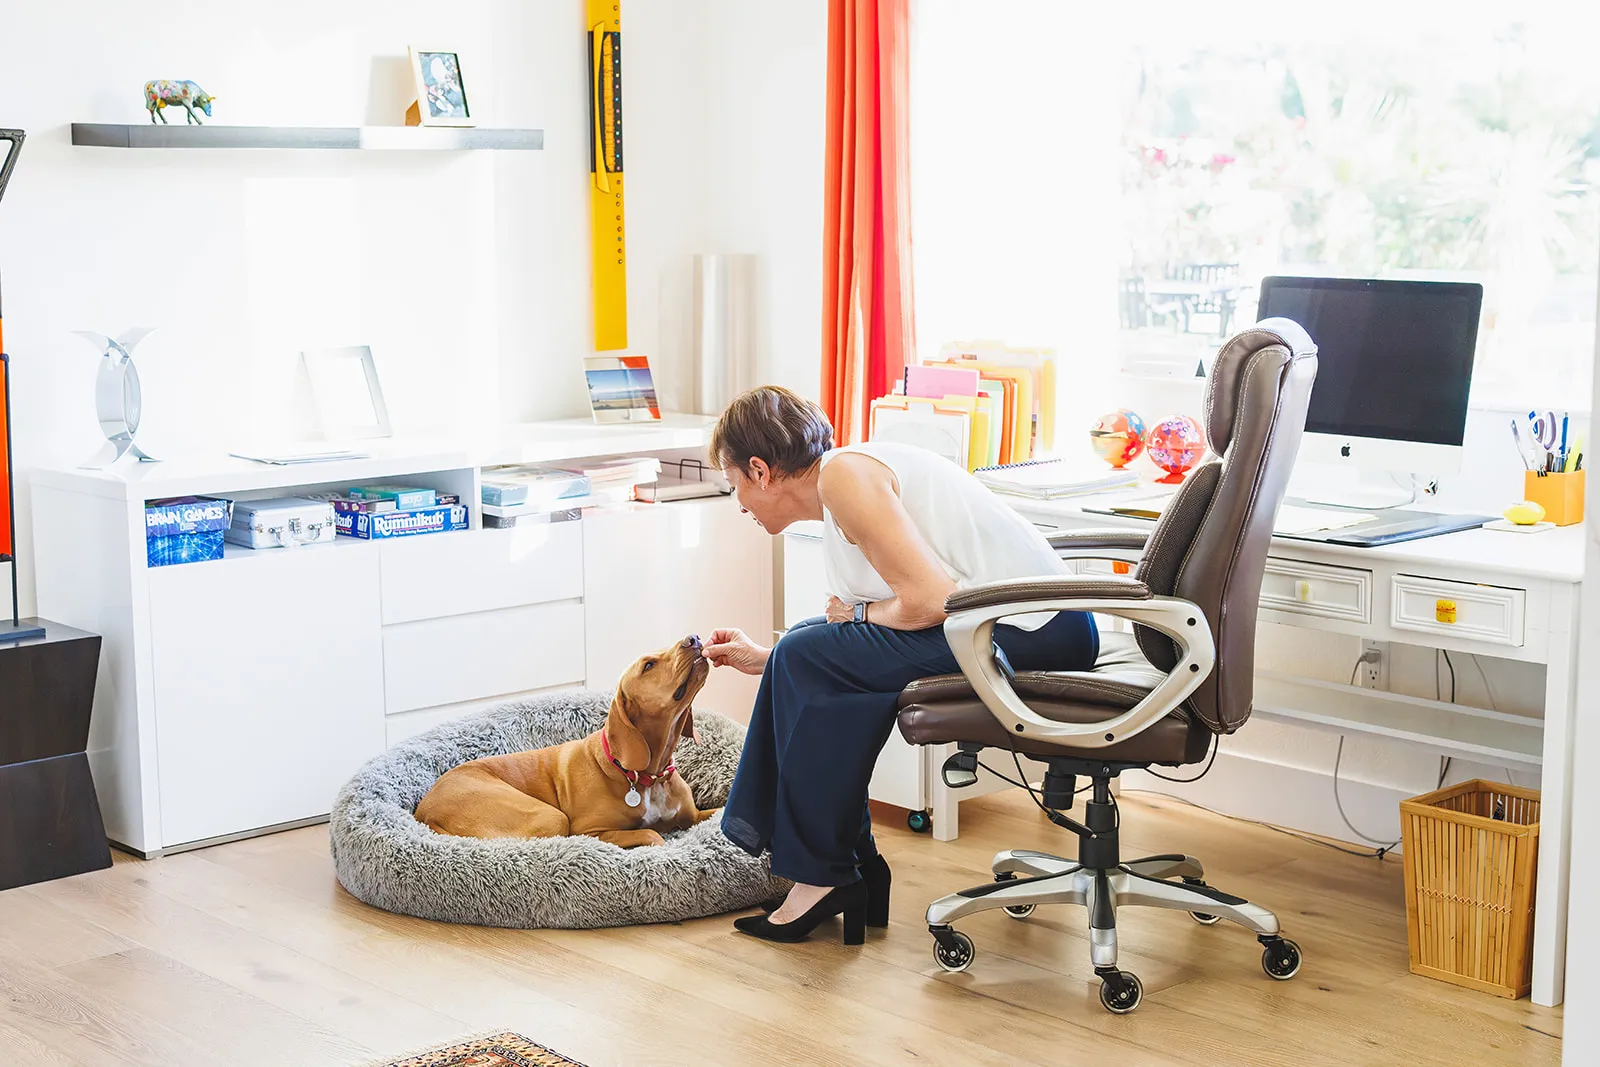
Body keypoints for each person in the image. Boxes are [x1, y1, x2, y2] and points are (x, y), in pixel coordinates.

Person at [703, 385, 1099, 945]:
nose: (738, 501)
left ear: (761, 472)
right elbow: (862, 637)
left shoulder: (844, 476)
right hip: (1000, 621)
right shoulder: (841, 486)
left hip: (1032, 628)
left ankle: (824, 874)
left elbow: (929, 602)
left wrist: (852, 617)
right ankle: (849, 868)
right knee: (805, 649)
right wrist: (768, 659)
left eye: (734, 483)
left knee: (808, 653)